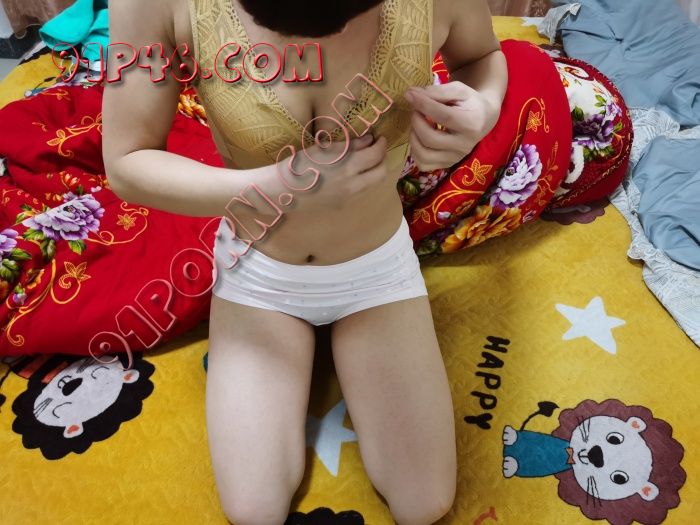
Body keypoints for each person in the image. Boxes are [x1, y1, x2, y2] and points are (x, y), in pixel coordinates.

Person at [102, 0, 507, 523]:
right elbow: (127, 162)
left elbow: (481, 57)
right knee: (254, 511)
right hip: (259, 269)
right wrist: (277, 187)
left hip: (375, 266)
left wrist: (481, 110)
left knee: (424, 503)